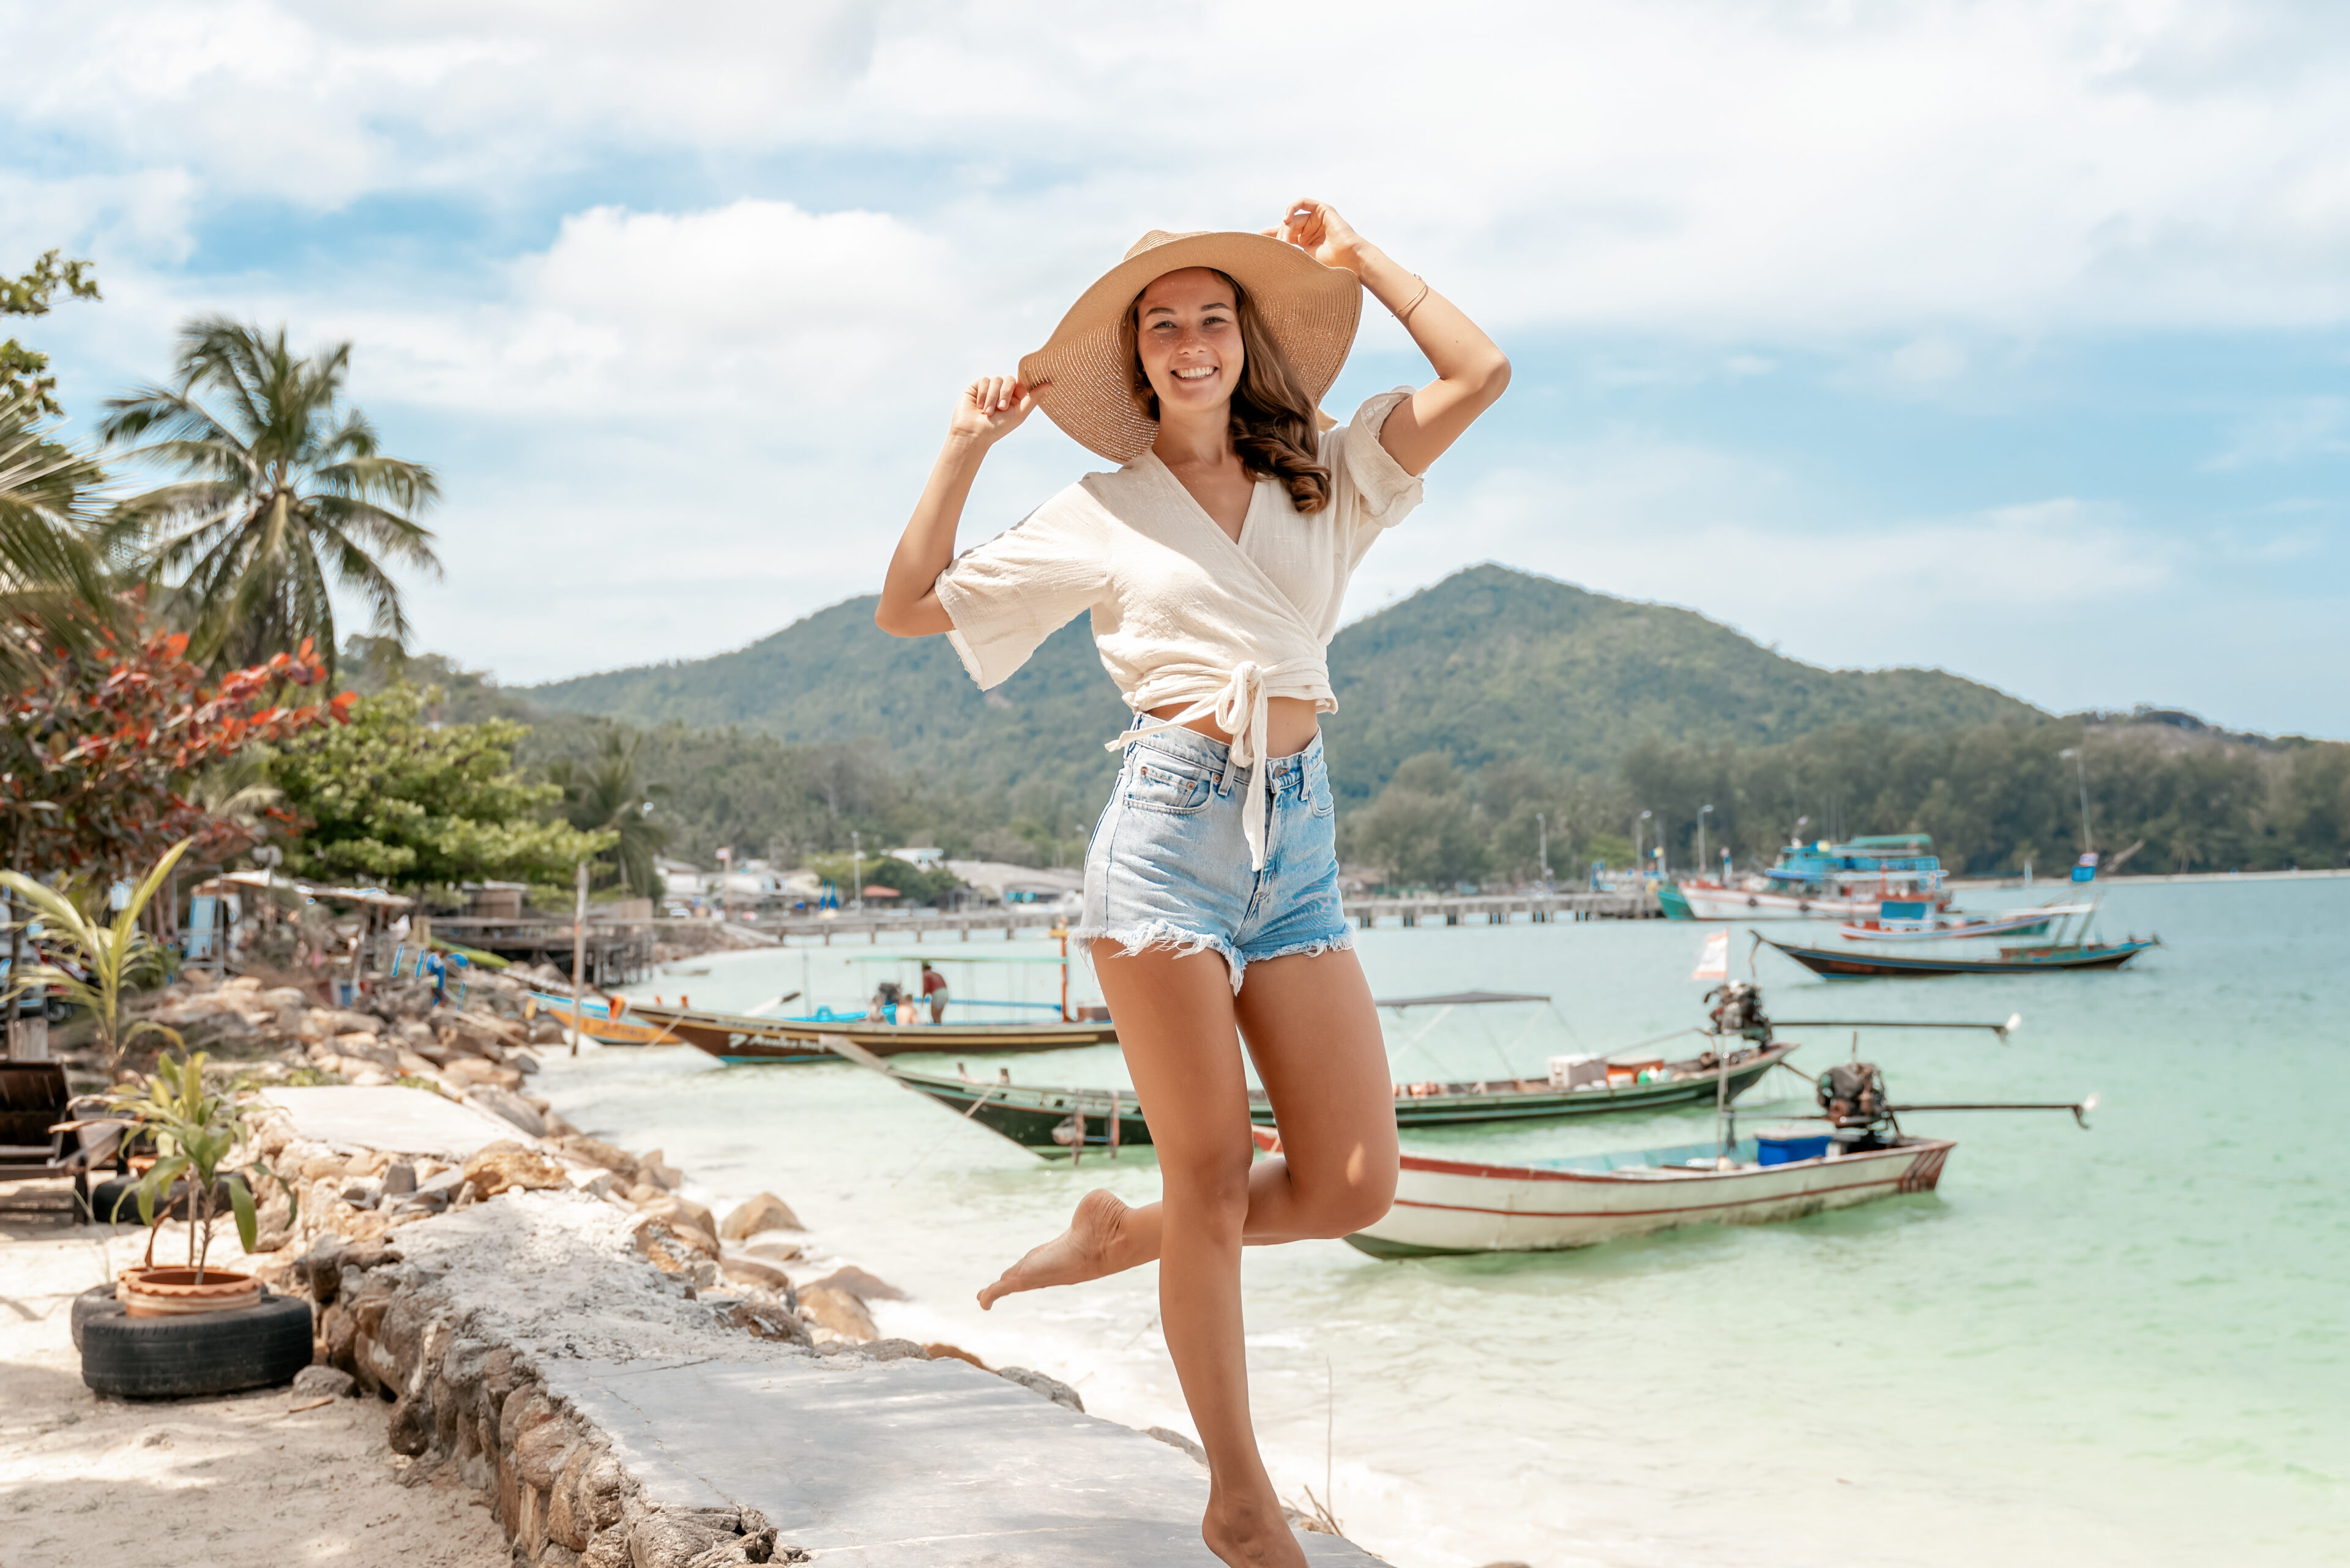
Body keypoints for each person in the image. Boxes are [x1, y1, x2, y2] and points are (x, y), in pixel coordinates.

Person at [875, 201, 1507, 1568]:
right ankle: (1239, 1498)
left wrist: (1362, 263)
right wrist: (961, 452)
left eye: (1213, 316)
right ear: (1139, 361)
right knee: (1218, 1181)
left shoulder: (1323, 477)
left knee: (1353, 1184)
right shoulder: (1101, 510)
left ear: (1247, 340)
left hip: (1304, 843)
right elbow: (911, 605)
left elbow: (1478, 375)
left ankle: (1120, 1235)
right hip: (1167, 834)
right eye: (1161, 325)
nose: (1189, 340)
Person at [919, 960, 949, 1025]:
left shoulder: (926, 974)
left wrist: (922, 1001)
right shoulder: (935, 974)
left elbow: (925, 989)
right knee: (938, 1016)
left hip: (938, 993)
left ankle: (938, 1032)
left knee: (934, 1015)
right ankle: (940, 1031)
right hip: (945, 993)